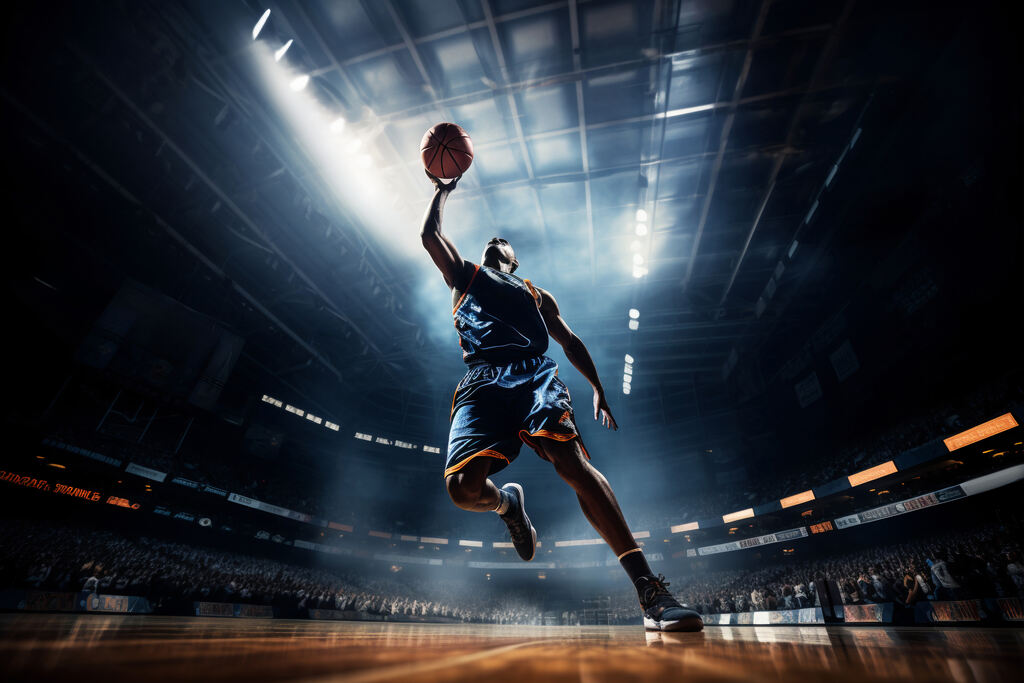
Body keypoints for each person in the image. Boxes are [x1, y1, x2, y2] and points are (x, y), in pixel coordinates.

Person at [419, 170, 702, 632]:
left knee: (571, 463)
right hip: (481, 382)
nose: (495, 240)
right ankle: (509, 506)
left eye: (503, 242)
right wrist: (441, 190)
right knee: (461, 490)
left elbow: (570, 342)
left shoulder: (535, 293)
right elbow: (429, 234)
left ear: (513, 259)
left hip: (533, 375)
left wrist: (598, 388)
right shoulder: (464, 275)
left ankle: (650, 590)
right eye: (491, 239)